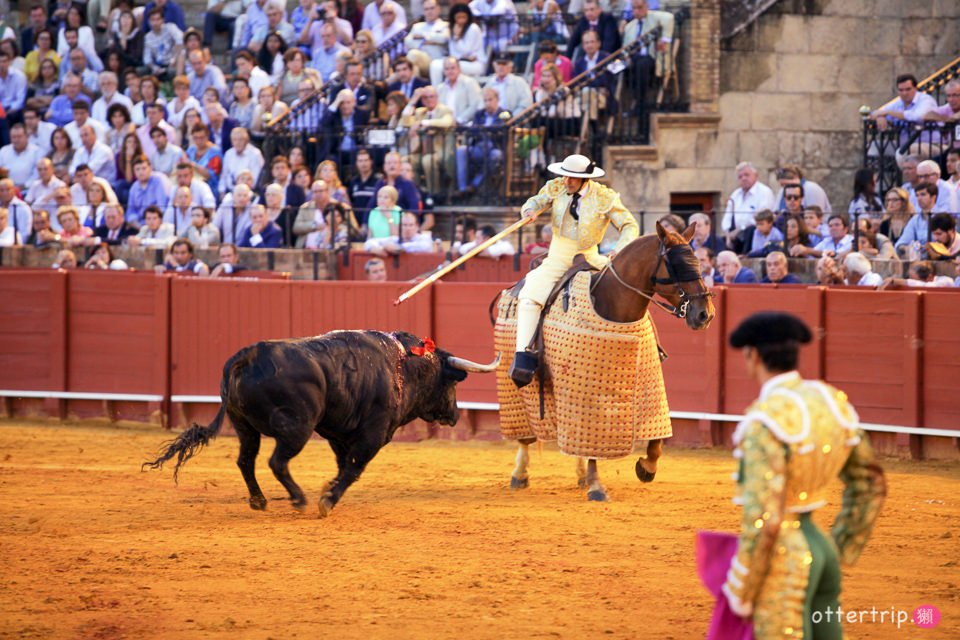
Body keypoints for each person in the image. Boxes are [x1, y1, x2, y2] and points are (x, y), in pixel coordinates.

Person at [722, 312, 885, 639]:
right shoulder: (830, 401)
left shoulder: (763, 421)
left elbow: (765, 516)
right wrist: (840, 547)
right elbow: (871, 484)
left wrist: (742, 588)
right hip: (823, 548)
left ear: (752, 355)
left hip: (785, 557)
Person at [509, 154, 638, 387]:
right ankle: (523, 357)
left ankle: (648, 345)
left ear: (585, 179)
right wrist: (529, 211)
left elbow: (629, 225)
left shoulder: (604, 197)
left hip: (589, 255)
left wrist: (620, 249)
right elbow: (536, 201)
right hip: (558, 256)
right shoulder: (557, 187)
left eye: (573, 177)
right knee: (529, 298)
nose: (567, 180)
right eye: (565, 175)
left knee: (626, 290)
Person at [721, 161, 775, 249]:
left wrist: (740, 229)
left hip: (753, 233)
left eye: (746, 175)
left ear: (756, 176)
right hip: (734, 235)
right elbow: (727, 217)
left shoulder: (764, 192)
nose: (743, 178)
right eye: (740, 176)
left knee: (750, 231)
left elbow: (762, 218)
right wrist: (727, 234)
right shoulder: (735, 194)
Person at [363, 211, 434, 256]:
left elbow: (425, 246)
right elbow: (369, 242)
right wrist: (379, 249)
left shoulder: (424, 238)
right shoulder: (395, 239)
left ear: (417, 226)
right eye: (404, 225)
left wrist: (398, 248)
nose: (408, 228)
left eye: (411, 225)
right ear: (400, 226)